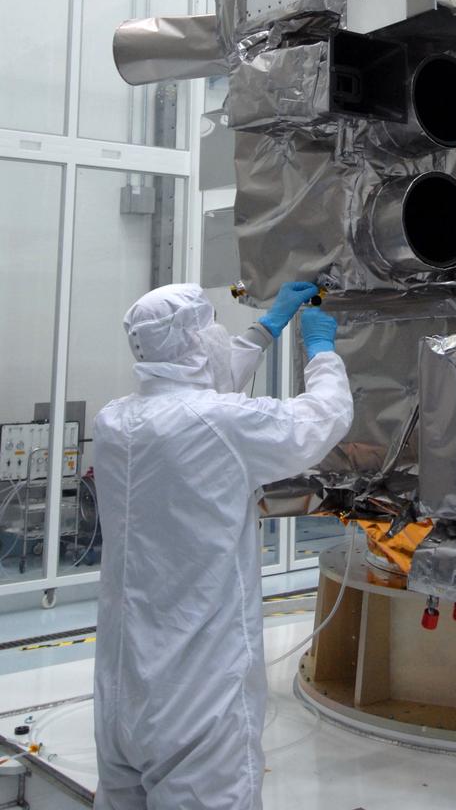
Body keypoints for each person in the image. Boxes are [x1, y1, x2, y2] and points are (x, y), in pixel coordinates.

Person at [92, 280, 352, 810]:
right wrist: (321, 352)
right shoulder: (221, 425)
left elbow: (196, 398)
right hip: (198, 691)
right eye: (211, 326)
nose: (217, 335)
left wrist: (263, 330)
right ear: (192, 342)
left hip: (123, 687)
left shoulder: (115, 421)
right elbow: (321, 419)